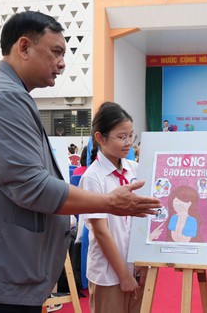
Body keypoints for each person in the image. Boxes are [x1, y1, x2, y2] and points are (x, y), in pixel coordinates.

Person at [0, 11, 160, 312]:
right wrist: (108, 203)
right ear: (24, 47)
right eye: (56, 52)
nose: (62, 63)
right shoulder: (4, 98)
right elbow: (31, 186)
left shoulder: (5, 92)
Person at [79, 102, 145, 313]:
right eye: (121, 137)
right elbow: (101, 231)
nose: (128, 143)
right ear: (100, 138)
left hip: (137, 269)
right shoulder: (93, 177)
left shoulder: (135, 170)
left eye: (131, 136)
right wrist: (123, 276)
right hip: (109, 275)